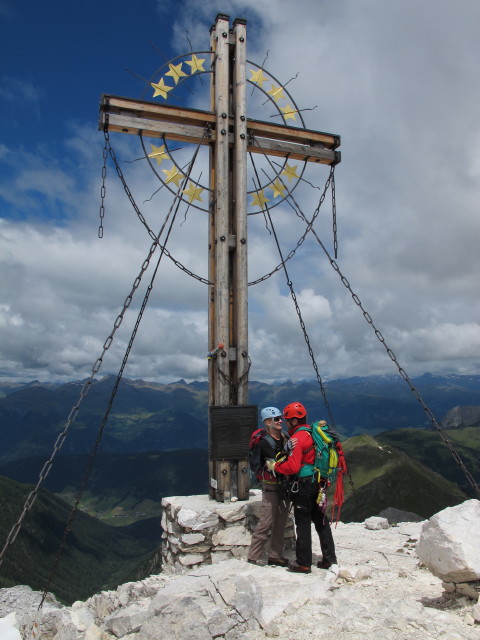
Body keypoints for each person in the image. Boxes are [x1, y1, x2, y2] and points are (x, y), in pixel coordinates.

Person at [270, 402, 337, 574]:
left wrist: (275, 467)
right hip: (318, 481)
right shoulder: (312, 433)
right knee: (321, 520)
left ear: (293, 420)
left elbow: (292, 467)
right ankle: (329, 559)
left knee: (303, 523)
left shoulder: (297, 439)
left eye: (287, 420)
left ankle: (303, 563)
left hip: (303, 485)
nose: (285, 423)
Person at [247, 406, 290, 566]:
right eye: (276, 419)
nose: (280, 421)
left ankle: (275, 555)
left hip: (284, 486)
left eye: (280, 418)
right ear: (267, 422)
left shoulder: (285, 437)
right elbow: (261, 464)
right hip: (271, 486)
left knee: (281, 521)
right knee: (266, 521)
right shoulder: (264, 442)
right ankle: (253, 557)